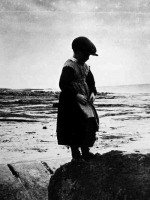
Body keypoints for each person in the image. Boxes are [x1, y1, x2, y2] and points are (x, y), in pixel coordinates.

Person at [56, 36, 99, 161]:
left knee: (88, 123)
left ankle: (86, 151)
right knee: (73, 126)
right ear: (78, 52)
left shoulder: (86, 67)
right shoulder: (69, 65)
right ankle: (75, 155)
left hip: (85, 100)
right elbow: (63, 84)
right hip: (71, 101)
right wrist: (76, 95)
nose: (87, 57)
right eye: (86, 54)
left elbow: (91, 82)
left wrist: (92, 93)